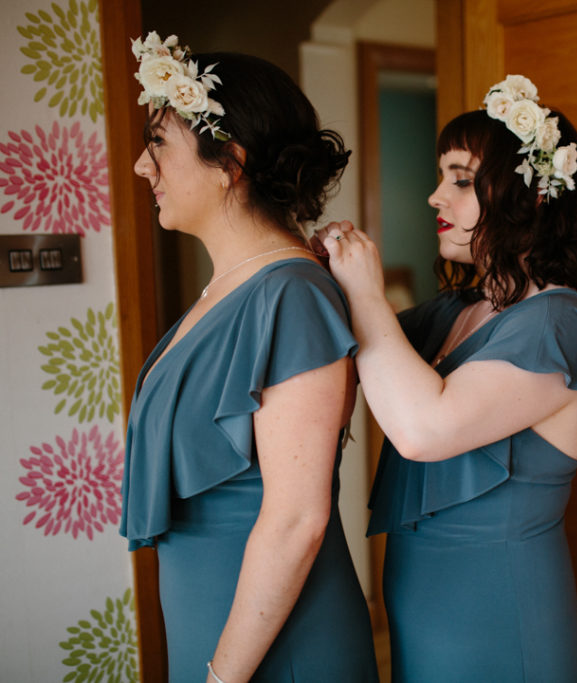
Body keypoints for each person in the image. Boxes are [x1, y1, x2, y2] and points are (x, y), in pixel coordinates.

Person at [318, 75, 577, 682]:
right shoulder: (455, 311)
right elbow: (347, 351)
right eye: (442, 178)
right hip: (425, 619)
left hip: (503, 628)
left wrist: (364, 289)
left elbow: (422, 431)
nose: (436, 197)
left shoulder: (560, 324)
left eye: (460, 180)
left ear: (530, 195)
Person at [118, 33, 378, 682]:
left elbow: (296, 519)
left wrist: (221, 676)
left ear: (229, 160)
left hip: (273, 645)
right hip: (215, 622)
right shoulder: (224, 290)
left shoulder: (291, 293)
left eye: (157, 143)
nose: (140, 167)